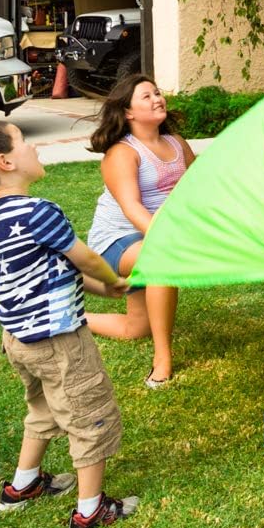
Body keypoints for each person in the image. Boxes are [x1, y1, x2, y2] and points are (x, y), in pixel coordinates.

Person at [0, 122, 139, 528]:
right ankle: (90, 512)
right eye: (24, 142)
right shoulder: (39, 212)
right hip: (59, 341)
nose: (34, 148)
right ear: (6, 162)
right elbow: (85, 258)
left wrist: (104, 291)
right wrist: (111, 278)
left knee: (44, 409)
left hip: (19, 339)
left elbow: (53, 270)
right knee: (89, 415)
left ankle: (24, 484)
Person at [85, 74, 195, 388]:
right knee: (161, 260)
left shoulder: (176, 144)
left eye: (157, 93)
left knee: (135, 328)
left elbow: (198, 188)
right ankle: (162, 359)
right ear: (128, 112)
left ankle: (63, 317)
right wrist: (166, 242)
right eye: (146, 96)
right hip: (116, 243)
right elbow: (132, 208)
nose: (157, 98)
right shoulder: (123, 153)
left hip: (154, 234)